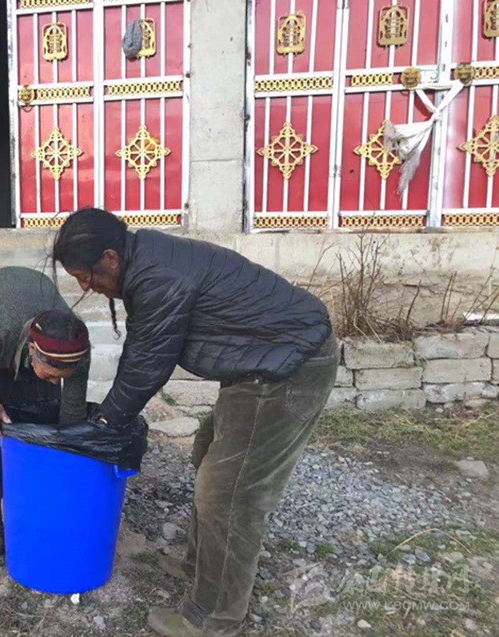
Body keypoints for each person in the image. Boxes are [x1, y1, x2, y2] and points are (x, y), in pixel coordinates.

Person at [52, 208, 337, 637]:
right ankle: (200, 567)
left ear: (110, 257)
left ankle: (213, 617)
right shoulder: (146, 261)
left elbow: (147, 364)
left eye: (86, 276)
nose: (85, 287)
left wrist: (105, 422)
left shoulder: (157, 274)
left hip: (288, 368)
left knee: (228, 493)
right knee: (207, 455)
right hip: (262, 364)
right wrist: (108, 418)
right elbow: (142, 350)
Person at [0, 266, 90, 558]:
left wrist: (68, 457)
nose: (55, 382)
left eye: (61, 377)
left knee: (46, 408)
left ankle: (35, 498)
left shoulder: (75, 348)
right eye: (50, 375)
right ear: (32, 351)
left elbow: (72, 413)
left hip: (23, 318)